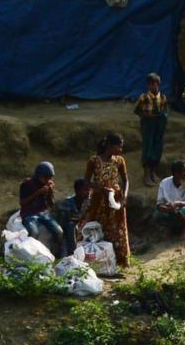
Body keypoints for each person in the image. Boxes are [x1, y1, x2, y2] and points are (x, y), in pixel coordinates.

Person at [83, 133, 130, 269]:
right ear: (109, 145)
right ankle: (99, 261)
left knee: (118, 229)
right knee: (97, 227)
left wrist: (124, 197)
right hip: (98, 200)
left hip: (115, 200)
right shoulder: (94, 161)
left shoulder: (119, 160)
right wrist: (100, 189)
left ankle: (121, 260)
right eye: (118, 146)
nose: (120, 150)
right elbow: (86, 182)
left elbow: (126, 180)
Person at [18, 161, 65, 256]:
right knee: (34, 232)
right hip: (29, 213)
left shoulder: (47, 185)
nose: (48, 180)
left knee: (59, 231)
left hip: (43, 212)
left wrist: (51, 192)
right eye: (45, 177)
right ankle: (30, 255)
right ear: (38, 175)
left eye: (50, 178)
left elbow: (51, 204)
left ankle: (58, 253)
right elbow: (22, 203)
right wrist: (38, 193)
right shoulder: (27, 184)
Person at [134, 73, 169, 187]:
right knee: (148, 147)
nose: (153, 87)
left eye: (155, 84)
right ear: (147, 85)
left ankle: (153, 172)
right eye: (150, 84)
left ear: (158, 85)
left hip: (159, 125)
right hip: (148, 125)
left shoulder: (162, 97)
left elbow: (165, 111)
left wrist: (162, 118)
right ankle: (146, 174)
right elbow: (137, 110)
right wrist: (146, 116)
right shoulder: (143, 97)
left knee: (157, 147)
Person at [155, 160, 185, 239]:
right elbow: (159, 203)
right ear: (176, 174)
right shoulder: (164, 183)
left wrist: (177, 204)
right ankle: (169, 229)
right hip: (170, 211)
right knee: (157, 214)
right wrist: (165, 208)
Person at [55, 178, 90, 258]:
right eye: (85, 190)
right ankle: (73, 253)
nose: (88, 193)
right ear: (77, 191)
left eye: (89, 190)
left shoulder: (88, 202)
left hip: (83, 229)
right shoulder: (67, 203)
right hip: (70, 231)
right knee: (71, 226)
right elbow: (63, 222)